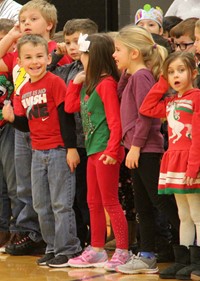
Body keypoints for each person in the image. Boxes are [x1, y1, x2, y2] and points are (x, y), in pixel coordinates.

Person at [3, 33, 82, 267]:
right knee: (40, 205)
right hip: (37, 152)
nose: (34, 61)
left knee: (60, 203)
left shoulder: (55, 82)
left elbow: (66, 116)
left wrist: (71, 148)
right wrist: (11, 119)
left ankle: (68, 249)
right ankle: (51, 246)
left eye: (39, 56)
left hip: (58, 150)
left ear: (49, 58)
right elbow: (26, 125)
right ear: (20, 61)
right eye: (28, 57)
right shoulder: (24, 89)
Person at [112, 24, 180, 275]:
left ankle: (189, 251)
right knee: (143, 206)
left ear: (134, 53)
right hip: (136, 150)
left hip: (146, 151)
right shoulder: (135, 76)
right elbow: (121, 94)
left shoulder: (142, 77)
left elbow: (146, 117)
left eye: (118, 49)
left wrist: (136, 147)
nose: (113, 54)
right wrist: (126, 72)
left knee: (162, 204)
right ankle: (147, 254)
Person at [65, 33, 129, 272]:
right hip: (93, 151)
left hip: (106, 150)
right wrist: (75, 83)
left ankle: (122, 250)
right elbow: (71, 107)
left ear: (95, 56)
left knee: (110, 201)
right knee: (93, 201)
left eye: (83, 54)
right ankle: (97, 249)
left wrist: (113, 150)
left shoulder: (107, 85)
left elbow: (115, 122)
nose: (80, 58)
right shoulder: (89, 83)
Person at [140, 51, 200, 280]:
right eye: (171, 72)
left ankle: (197, 262)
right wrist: (163, 82)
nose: (176, 75)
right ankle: (183, 260)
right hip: (174, 160)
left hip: (191, 161)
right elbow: (146, 107)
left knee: (197, 214)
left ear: (193, 73)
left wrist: (194, 167)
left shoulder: (196, 97)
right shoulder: (170, 102)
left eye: (181, 71)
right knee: (183, 214)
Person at [48, 18, 98, 249]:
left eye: (77, 41)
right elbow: (46, 74)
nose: (72, 47)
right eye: (68, 42)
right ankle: (80, 242)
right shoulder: (67, 69)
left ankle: (94, 244)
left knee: (91, 198)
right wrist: (58, 54)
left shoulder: (99, 70)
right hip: (73, 144)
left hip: (94, 143)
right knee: (76, 197)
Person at [0, 18, 19, 251]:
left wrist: (13, 35)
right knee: (1, 185)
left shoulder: (14, 62)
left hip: (10, 127)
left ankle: (18, 230)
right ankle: (3, 230)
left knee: (14, 183)